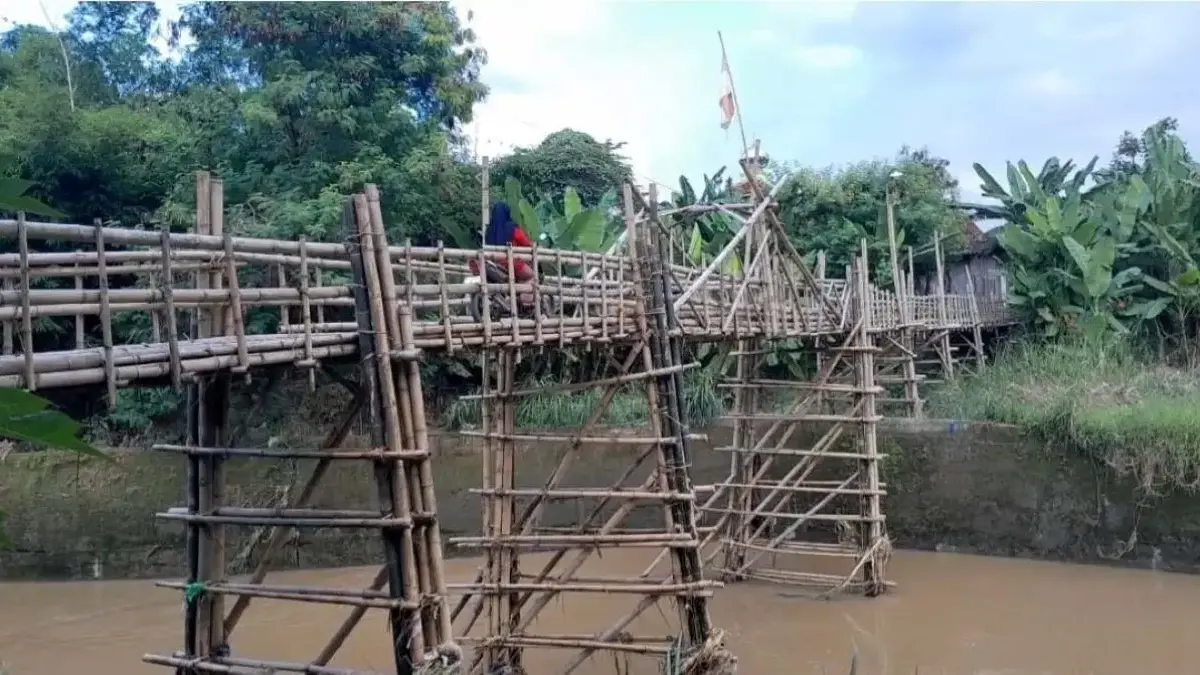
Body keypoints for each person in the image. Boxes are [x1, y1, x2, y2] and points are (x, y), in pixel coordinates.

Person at [478, 201, 536, 306]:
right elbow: (526, 243)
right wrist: (534, 245)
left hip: (494, 263)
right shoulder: (512, 228)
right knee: (532, 276)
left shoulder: (489, 230)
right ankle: (523, 297)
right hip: (512, 263)